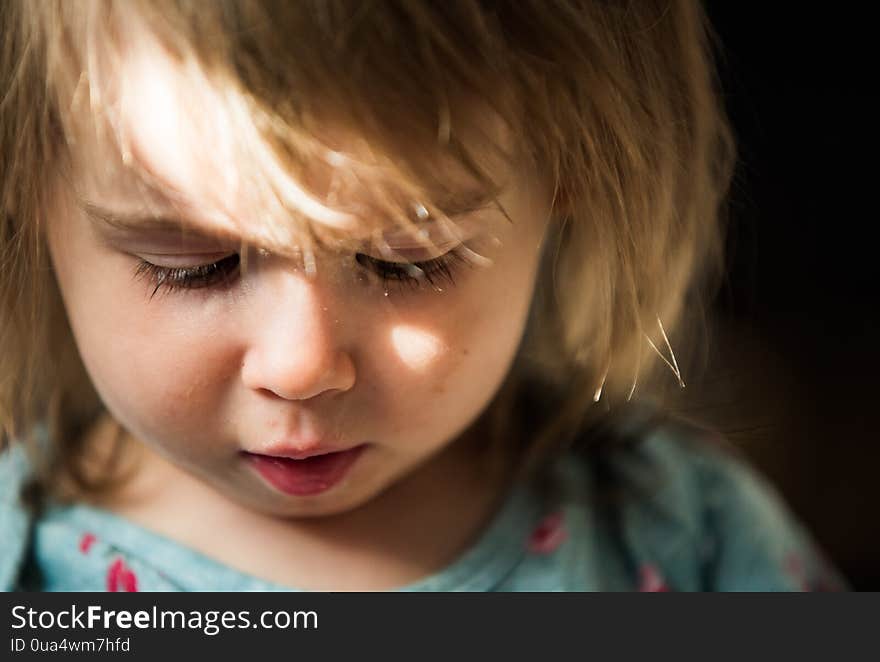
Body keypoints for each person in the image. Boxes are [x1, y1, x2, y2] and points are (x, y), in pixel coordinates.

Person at [0, 0, 848, 591]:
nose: (302, 367)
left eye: (409, 262)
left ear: (571, 179)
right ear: (26, 187)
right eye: (193, 264)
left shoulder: (680, 530)